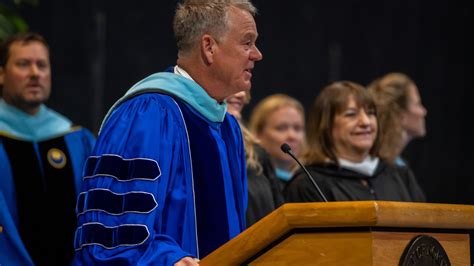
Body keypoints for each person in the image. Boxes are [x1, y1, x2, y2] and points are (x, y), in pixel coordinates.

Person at [73, 0, 263, 265]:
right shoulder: (147, 114)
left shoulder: (227, 127)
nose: (256, 54)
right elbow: (113, 232)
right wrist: (167, 260)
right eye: (247, 42)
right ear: (209, 47)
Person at [0, 32, 95, 265]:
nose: (35, 73)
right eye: (23, 64)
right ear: (1, 74)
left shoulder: (77, 139)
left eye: (42, 65)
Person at [285, 81, 426, 202]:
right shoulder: (308, 184)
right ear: (326, 126)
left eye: (370, 113)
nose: (365, 122)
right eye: (351, 114)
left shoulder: (398, 175)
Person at [226, 91, 284, 226]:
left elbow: (279, 211)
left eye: (243, 88)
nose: (241, 94)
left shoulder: (257, 152)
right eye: (234, 86)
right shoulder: (197, 142)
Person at [249, 94, 305, 189]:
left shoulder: (309, 179)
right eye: (281, 128)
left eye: (297, 128)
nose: (292, 136)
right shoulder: (251, 180)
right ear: (258, 134)